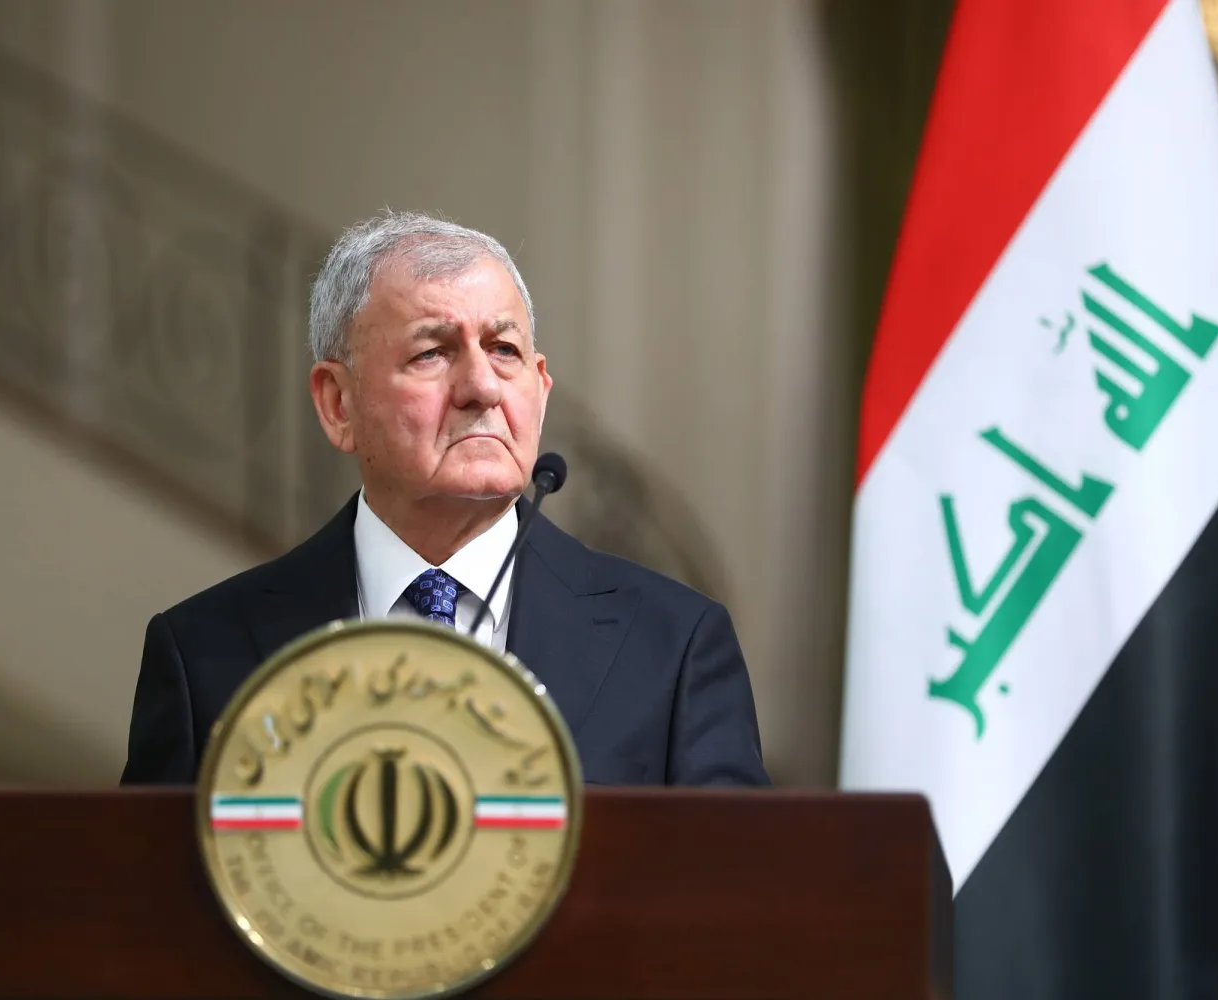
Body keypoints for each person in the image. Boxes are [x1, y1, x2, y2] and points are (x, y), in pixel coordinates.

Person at [120, 210, 769, 787]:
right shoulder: (203, 652)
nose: (481, 387)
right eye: (432, 352)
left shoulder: (673, 645)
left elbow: (734, 882)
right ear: (338, 403)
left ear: (540, 390)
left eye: (504, 350)